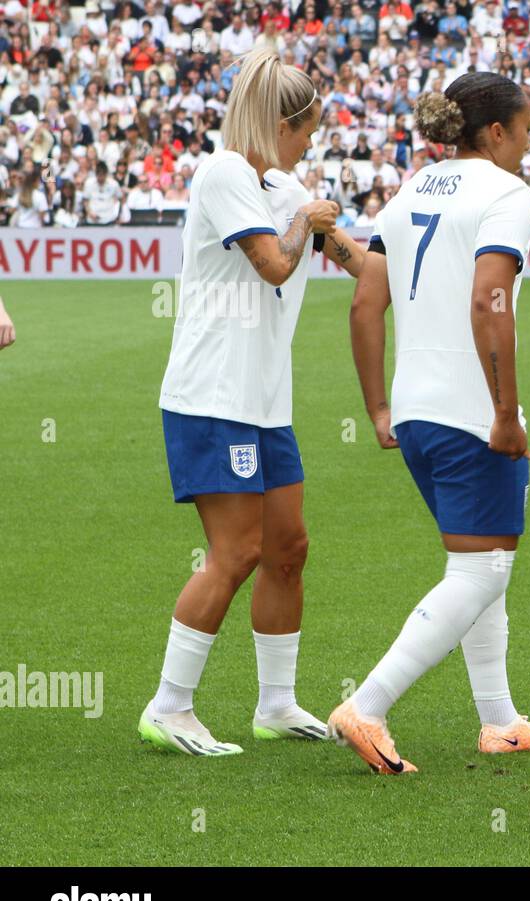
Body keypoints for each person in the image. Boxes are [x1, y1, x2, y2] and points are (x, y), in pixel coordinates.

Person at [331, 73, 530, 774]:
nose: (529, 146)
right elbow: (489, 302)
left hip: (415, 409)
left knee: (477, 567)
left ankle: (499, 721)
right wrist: (504, 412)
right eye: (526, 130)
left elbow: (363, 306)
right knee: (483, 569)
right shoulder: (504, 193)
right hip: (471, 414)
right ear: (495, 132)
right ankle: (368, 705)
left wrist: (379, 406)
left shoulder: (409, 191)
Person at [141, 49, 365, 757]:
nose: (310, 144)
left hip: (264, 400)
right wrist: (307, 221)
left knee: (289, 548)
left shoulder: (279, 182)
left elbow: (359, 261)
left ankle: (275, 704)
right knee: (234, 551)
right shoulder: (224, 174)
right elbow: (274, 262)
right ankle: (169, 707)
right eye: (305, 131)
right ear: (277, 122)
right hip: (214, 394)